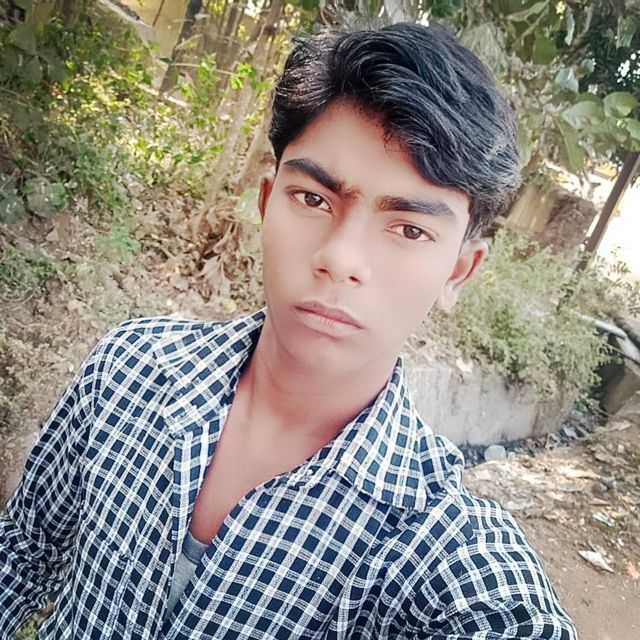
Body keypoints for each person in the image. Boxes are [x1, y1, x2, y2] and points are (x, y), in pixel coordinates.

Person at [0, 22, 578, 640]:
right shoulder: (129, 369)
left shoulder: (441, 548)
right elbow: (24, 548)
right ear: (266, 201)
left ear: (458, 271)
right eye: (313, 199)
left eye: (410, 229)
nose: (341, 258)